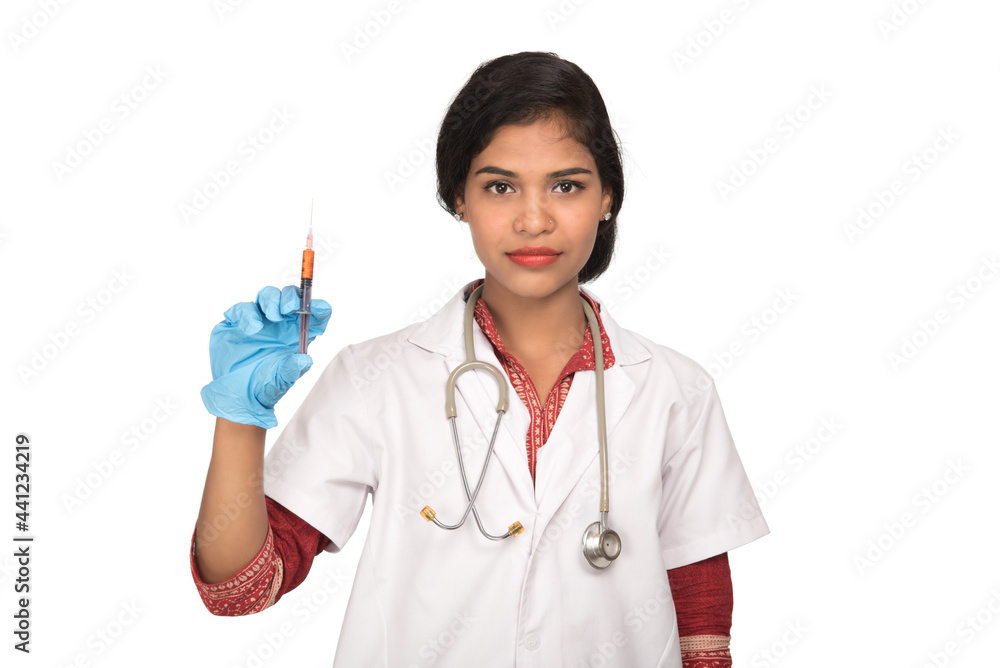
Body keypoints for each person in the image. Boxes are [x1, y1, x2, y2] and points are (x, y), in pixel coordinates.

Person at [190, 51, 769, 667]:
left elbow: (703, 628)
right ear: (458, 199)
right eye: (500, 186)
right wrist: (239, 417)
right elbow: (239, 589)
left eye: (567, 185)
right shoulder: (375, 380)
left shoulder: (676, 390)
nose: (533, 220)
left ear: (607, 198)